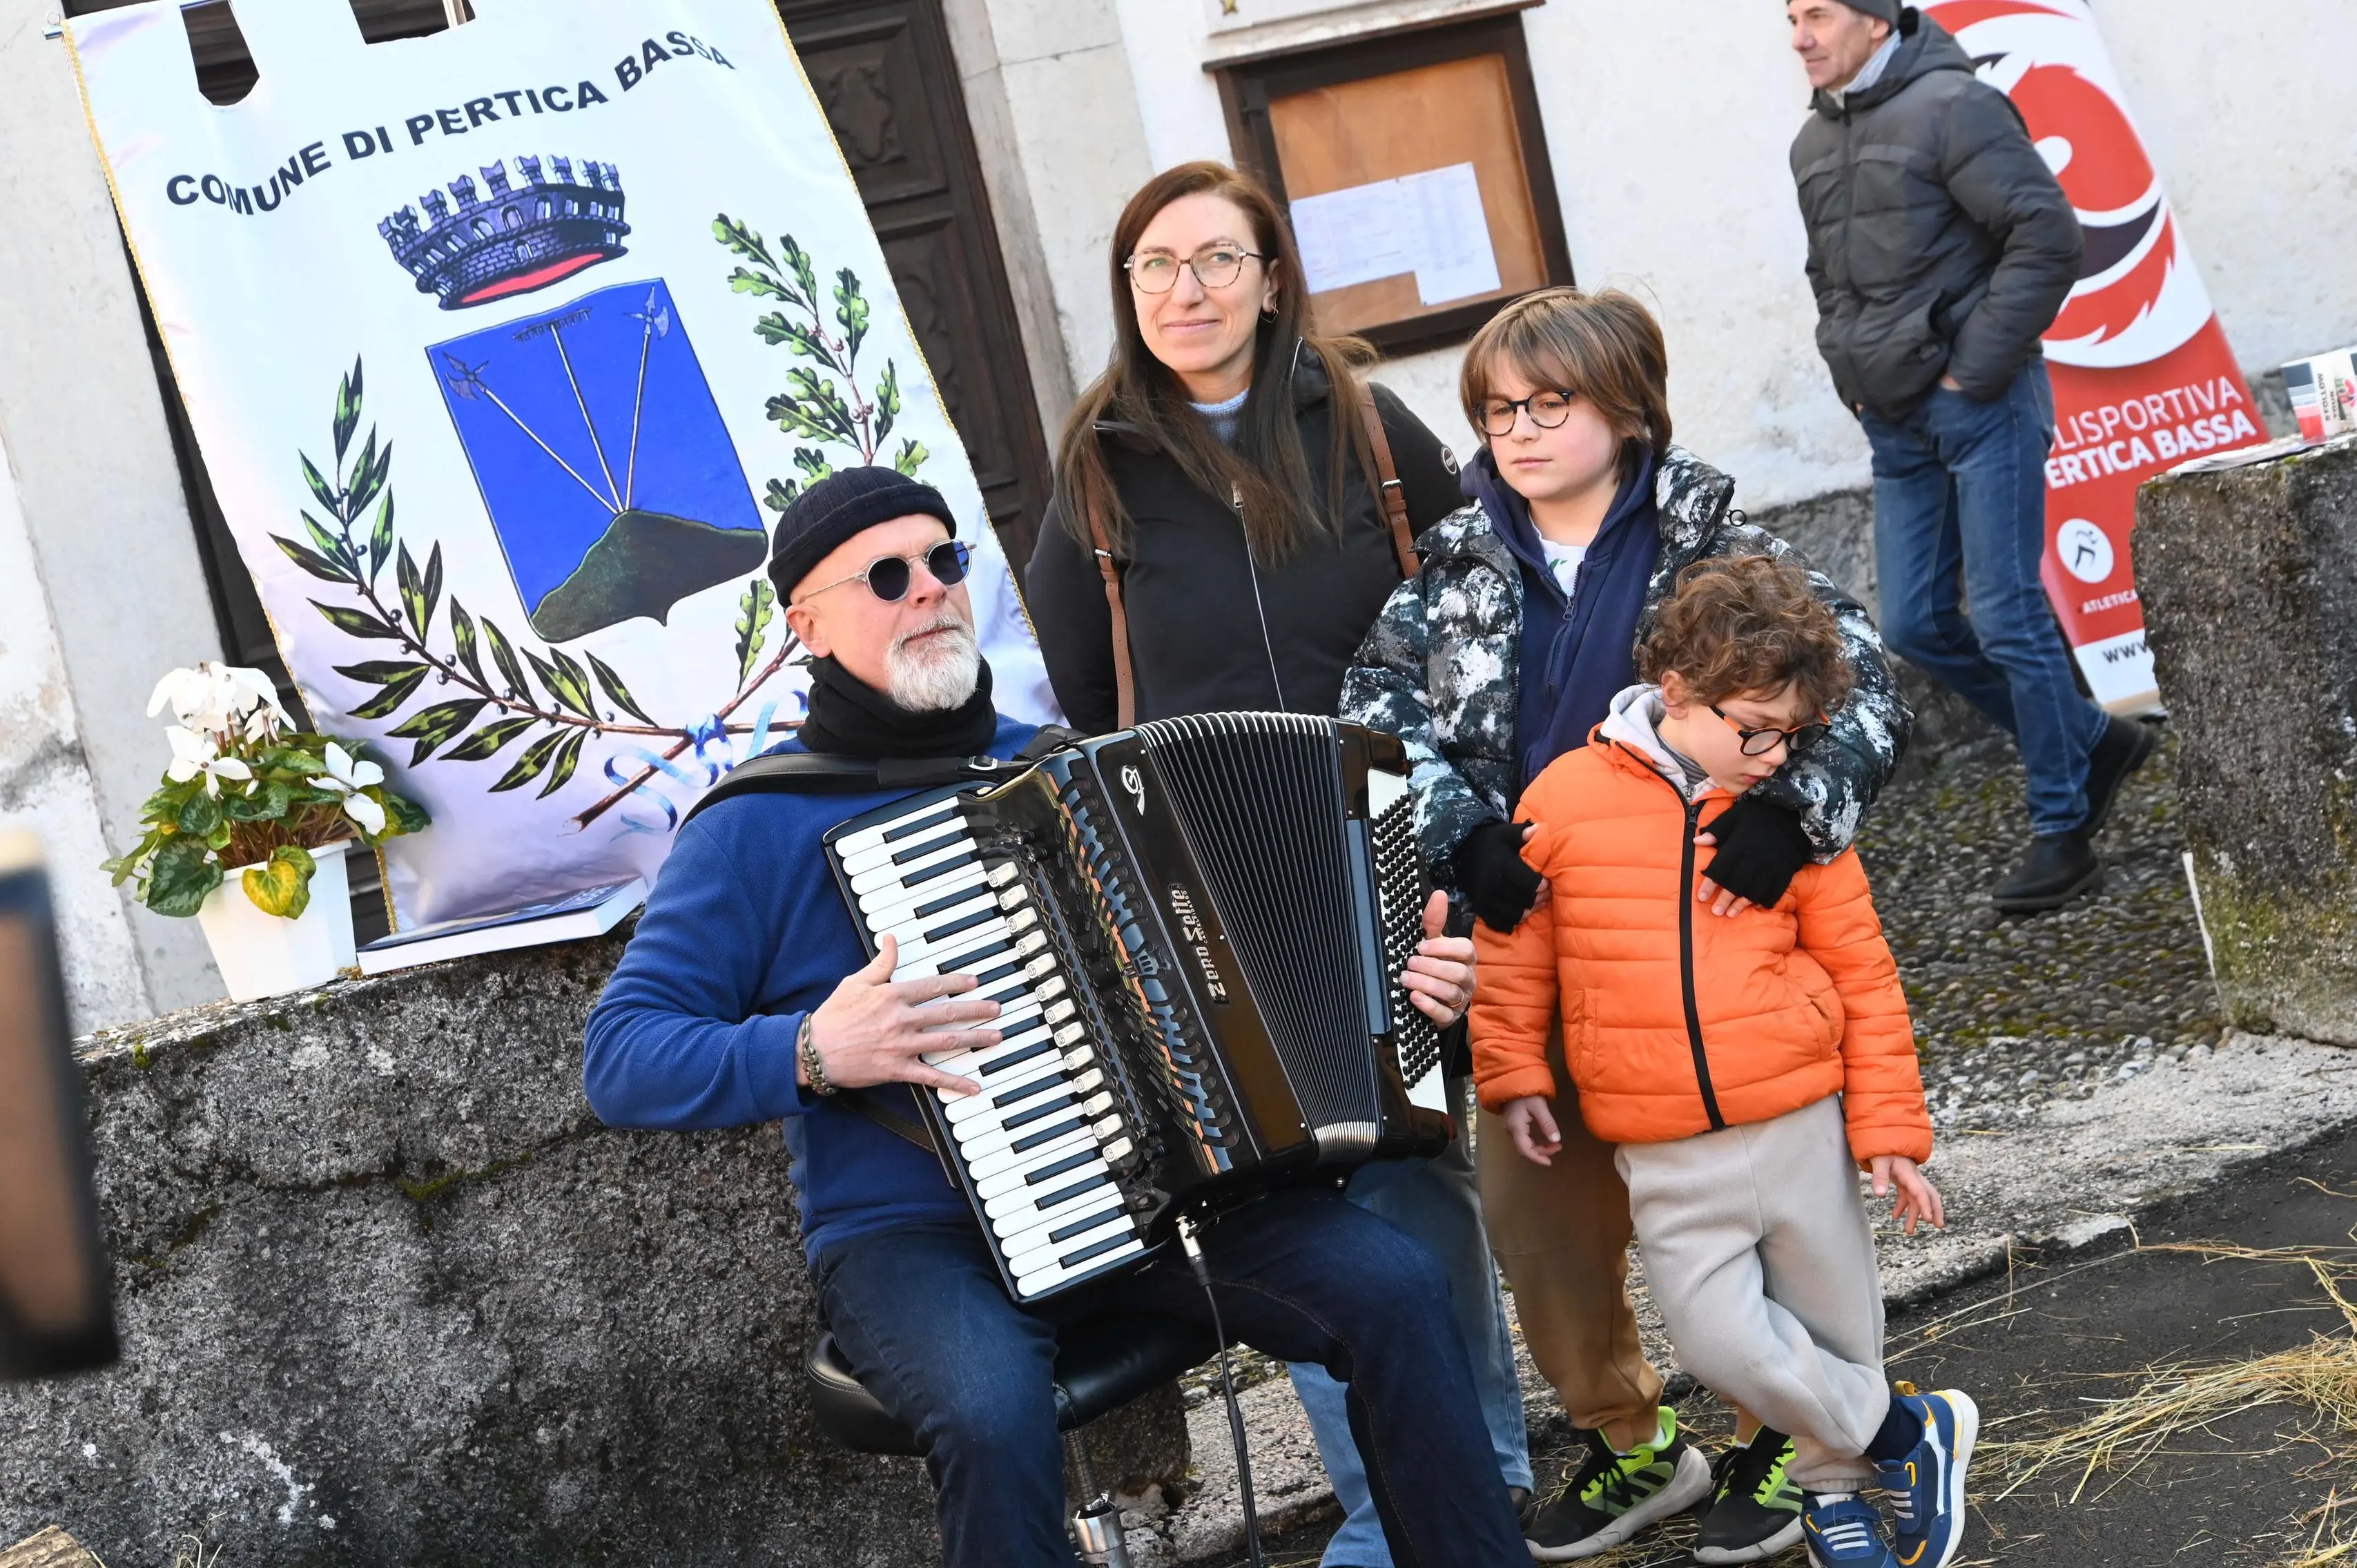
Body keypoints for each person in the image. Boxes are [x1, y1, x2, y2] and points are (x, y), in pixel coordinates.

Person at [582, 466, 1529, 1568]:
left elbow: (1255, 977)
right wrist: (809, 1048)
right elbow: (622, 1056)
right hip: (913, 1236)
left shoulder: (1061, 769)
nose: (927, 589)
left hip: (1146, 1201)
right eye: (884, 575)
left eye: (943, 560)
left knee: (1394, 1283)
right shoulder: (751, 827)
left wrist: (1407, 992)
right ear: (807, 624)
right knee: (992, 1415)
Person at [1344, 287, 1911, 1562]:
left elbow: (1866, 682)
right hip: (1537, 935)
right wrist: (1460, 831)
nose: (1519, 432)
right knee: (1539, 1220)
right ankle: (1632, 1439)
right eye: (1498, 411)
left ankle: (1792, 1436)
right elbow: (1375, 709)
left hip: (1711, 944)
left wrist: (1795, 813)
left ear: (1627, 409)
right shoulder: (1454, 559)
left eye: (1551, 405)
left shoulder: (1719, 543)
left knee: (1757, 1214)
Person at [1024, 162, 1532, 1565]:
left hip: (1384, 851)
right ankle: (1383, 1511)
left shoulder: (1366, 425)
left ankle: (1481, 1472)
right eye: (1154, 267)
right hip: (1206, 886)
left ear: (1269, 279)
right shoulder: (1098, 470)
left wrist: (1466, 808)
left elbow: (1472, 613)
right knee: (1291, 1203)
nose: (1184, 291)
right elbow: (1085, 698)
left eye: (1215, 260)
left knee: (1414, 1167)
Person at [1471, 554, 1978, 1568]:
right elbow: (1515, 947)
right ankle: (1904, 1431)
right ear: (1676, 694)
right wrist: (1513, 1072)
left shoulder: (1790, 815)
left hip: (1799, 1125)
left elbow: (1865, 973)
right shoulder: (1564, 796)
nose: (1774, 754)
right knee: (1718, 1342)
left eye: (1792, 735)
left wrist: (1888, 1129)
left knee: (1831, 1330)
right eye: (1755, 730)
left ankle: (1834, 1496)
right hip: (1662, 1144)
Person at [1785, 0, 2154, 913]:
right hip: (1893, 419)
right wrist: (1850, 377)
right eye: (1790, 17)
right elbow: (1827, 277)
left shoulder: (1956, 106)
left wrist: (1972, 372)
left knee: (2006, 615)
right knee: (1915, 626)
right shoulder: (1811, 142)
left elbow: (2049, 236)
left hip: (1982, 404)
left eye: (1817, 14)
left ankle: (2062, 829)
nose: (1799, 36)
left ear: (1876, 21)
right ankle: (2091, 738)